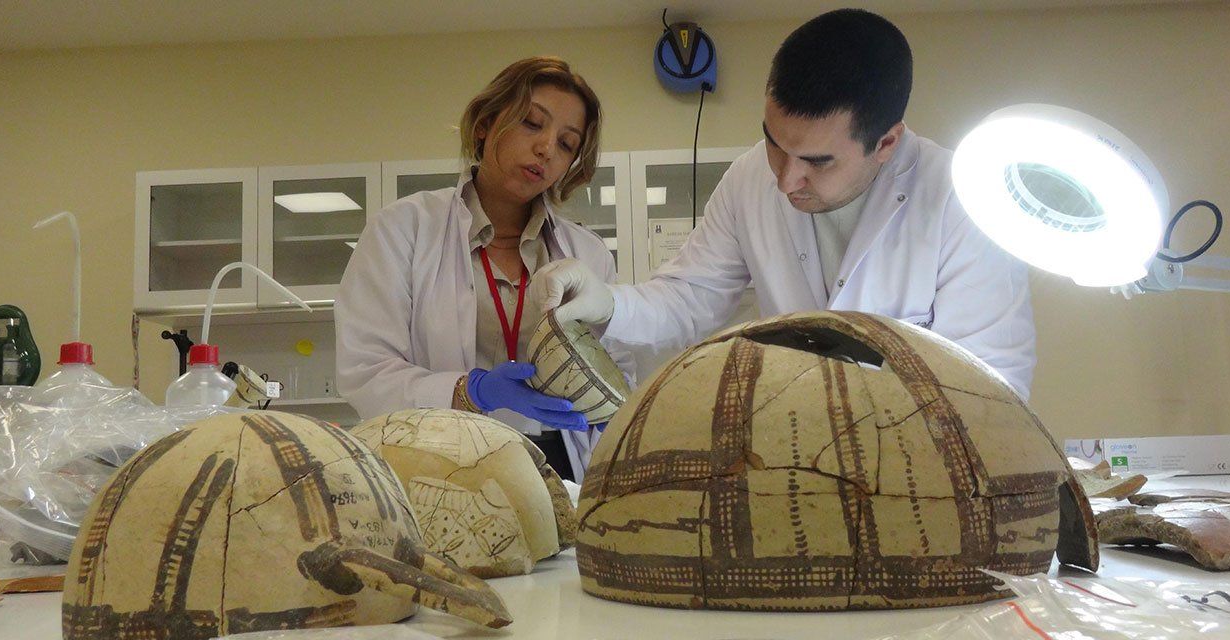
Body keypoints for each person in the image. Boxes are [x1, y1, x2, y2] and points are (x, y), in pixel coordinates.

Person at [536, 9, 1036, 399]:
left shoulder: (961, 201)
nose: (785, 179)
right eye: (774, 142)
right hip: (797, 443)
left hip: (922, 467)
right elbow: (690, 299)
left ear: (886, 143)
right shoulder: (749, 176)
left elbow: (990, 387)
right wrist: (609, 303)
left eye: (817, 161)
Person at [335, 56, 631, 482]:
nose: (546, 149)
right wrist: (472, 391)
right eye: (532, 123)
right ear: (485, 125)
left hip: (558, 465)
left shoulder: (588, 254)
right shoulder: (404, 229)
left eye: (567, 144)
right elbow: (366, 371)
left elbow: (615, 365)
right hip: (436, 459)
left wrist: (611, 407)